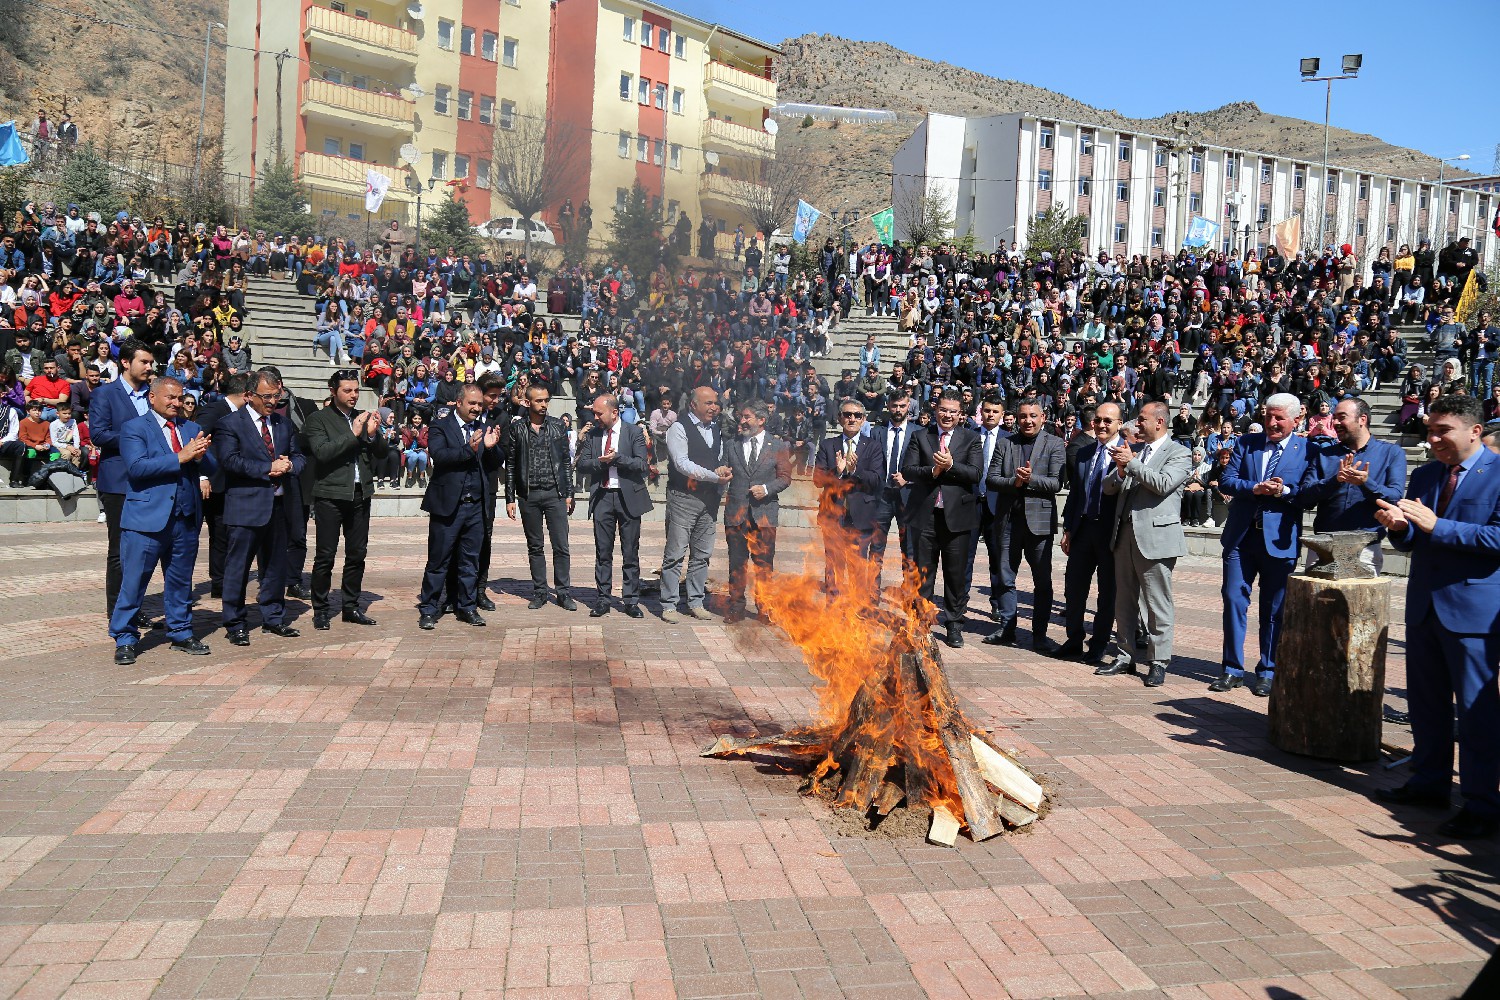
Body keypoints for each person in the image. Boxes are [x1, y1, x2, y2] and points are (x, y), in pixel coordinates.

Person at [1375, 394, 1500, 840]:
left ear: (1474, 431)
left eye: (1442, 431)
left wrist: (1434, 526)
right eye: (1429, 431)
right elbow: (1415, 538)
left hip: (1474, 615)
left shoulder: (1498, 474)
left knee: (1477, 713)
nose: (1431, 440)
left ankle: (1483, 804)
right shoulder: (1427, 474)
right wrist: (1401, 527)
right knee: (1426, 705)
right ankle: (1429, 784)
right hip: (1425, 607)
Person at [1211, 393, 1313, 697]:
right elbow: (1227, 480)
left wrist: (1285, 491)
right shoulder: (1245, 444)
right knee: (1233, 600)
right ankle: (1232, 670)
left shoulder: (1306, 450)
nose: (1271, 423)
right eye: (1268, 416)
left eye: (1279, 417)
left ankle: (1268, 670)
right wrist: (1255, 487)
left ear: (1297, 419)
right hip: (1242, 538)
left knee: (1274, 609)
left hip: (1279, 541)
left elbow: (1308, 492)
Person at [107, 376, 213, 664]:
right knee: (134, 582)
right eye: (170, 397)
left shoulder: (191, 428)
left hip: (185, 518)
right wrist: (181, 456)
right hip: (146, 521)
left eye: (180, 398)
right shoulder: (134, 428)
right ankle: (125, 637)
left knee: (180, 581)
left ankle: (180, 631)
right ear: (152, 398)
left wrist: (201, 455)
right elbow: (137, 468)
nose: (176, 403)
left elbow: (211, 466)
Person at [1096, 401, 1192, 687]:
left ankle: (1158, 661)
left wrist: (1132, 464)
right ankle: (1125, 655)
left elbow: (1163, 484)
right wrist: (1122, 470)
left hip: (1156, 539)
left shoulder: (1180, 452)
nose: (1137, 424)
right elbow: (1108, 486)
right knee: (1124, 600)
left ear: (1160, 422)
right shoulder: (1135, 452)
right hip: (1124, 534)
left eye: (1142, 420)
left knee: (1157, 603)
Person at [215, 368, 306, 646]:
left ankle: (273, 617)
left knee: (276, 566)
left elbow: (300, 456)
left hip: (278, 506)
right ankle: (235, 622)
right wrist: (269, 467)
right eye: (266, 396)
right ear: (248, 395)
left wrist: (290, 465)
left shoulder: (283, 424)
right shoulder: (230, 424)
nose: (272, 402)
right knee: (238, 568)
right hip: (245, 506)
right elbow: (230, 461)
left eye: (276, 396)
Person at [301, 369, 387, 630]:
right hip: (330, 494)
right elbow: (322, 452)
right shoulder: (318, 419)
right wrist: (354, 433)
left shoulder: (362, 416)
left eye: (356, 390)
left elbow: (382, 453)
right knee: (325, 555)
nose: (353, 395)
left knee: (357, 554)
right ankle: (321, 609)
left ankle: (350, 606)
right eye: (347, 390)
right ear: (333, 391)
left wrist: (372, 434)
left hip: (361, 494)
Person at [418, 384, 503, 629]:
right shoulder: (439, 426)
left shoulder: (483, 427)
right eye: (472, 404)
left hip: (475, 506)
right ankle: (429, 608)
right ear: (459, 403)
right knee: (438, 560)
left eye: (479, 404)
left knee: (470, 561)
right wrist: (470, 449)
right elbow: (440, 457)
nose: (477, 408)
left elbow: (497, 461)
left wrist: (492, 447)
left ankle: (467, 607)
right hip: (447, 506)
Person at [983, 400, 1066, 651]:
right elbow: (991, 479)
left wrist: (1030, 480)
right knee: (1006, 578)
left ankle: (1039, 634)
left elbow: (1056, 483)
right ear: (1016, 419)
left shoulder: (1054, 443)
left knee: (1042, 581)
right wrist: (1015, 483)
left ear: (1043, 417)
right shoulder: (1005, 443)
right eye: (1022, 416)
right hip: (1008, 521)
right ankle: (1007, 627)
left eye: (1032, 416)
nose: (1027, 421)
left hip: (1039, 523)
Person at [903, 389, 983, 648]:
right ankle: (920, 623)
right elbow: (909, 470)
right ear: (935, 410)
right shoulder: (920, 436)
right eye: (943, 410)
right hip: (925, 516)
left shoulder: (971, 439)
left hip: (957, 517)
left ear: (961, 414)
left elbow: (975, 473)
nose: (947, 415)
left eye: (953, 411)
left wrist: (950, 467)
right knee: (923, 574)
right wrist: (933, 471)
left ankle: (954, 625)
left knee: (955, 575)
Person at [86, 339, 154, 619]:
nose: (150, 367)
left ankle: (134, 607)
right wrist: (136, 439)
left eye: (151, 362)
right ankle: (117, 612)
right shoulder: (105, 394)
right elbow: (98, 435)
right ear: (125, 363)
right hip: (118, 481)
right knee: (120, 550)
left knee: (143, 550)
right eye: (144, 362)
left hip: (149, 480)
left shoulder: (153, 394)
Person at [1298, 398, 1407, 574]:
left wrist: (1365, 483)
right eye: (1334, 418)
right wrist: (1335, 481)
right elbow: (1305, 497)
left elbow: (1394, 497)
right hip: (1323, 548)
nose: (1335, 423)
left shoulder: (1391, 453)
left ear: (1362, 419)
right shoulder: (1324, 455)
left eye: (1341, 417)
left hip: (1365, 550)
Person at [1057, 402, 1125, 663]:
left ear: (1119, 424)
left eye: (1108, 421)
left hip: (1111, 533)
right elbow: (1075, 494)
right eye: (1098, 420)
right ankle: (1074, 640)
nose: (1102, 425)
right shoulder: (1085, 452)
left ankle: (1098, 645)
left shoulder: (1127, 453)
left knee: (1107, 593)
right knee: (1074, 590)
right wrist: (1068, 529)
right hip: (1083, 529)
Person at [659, 386, 730, 623]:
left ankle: (695, 602)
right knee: (675, 554)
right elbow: (682, 464)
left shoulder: (716, 429)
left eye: (715, 403)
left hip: (709, 500)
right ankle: (669, 604)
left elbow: (717, 460)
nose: (714, 407)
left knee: (702, 554)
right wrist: (714, 475)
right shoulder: (678, 428)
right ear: (693, 405)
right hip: (683, 499)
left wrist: (721, 474)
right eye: (708, 403)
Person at [577, 393, 652, 618]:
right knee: (603, 551)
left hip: (628, 497)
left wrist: (617, 458)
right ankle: (603, 599)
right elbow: (582, 464)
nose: (595, 417)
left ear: (614, 412)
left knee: (630, 551)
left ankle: (630, 600)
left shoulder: (634, 432)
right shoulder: (593, 434)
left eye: (599, 413)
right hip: (602, 496)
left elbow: (642, 464)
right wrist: (601, 463)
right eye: (594, 413)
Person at [503, 383, 576, 610]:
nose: (544, 404)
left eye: (546, 400)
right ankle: (540, 592)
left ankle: (563, 593)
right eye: (539, 401)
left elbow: (566, 462)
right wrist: (510, 498)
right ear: (527, 402)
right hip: (528, 495)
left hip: (554, 493)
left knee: (561, 545)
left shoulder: (557, 427)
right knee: (535, 546)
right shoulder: (517, 429)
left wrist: (569, 493)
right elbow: (511, 465)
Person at [722, 399, 793, 623]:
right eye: (740, 417)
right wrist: (722, 471)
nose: (740, 421)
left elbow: (785, 478)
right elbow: (724, 469)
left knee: (764, 565)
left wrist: (766, 489)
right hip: (736, 514)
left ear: (761, 420)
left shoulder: (778, 446)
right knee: (737, 563)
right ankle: (736, 607)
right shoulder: (731, 444)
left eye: (746, 417)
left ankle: (764, 608)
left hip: (764, 515)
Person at [812, 399, 883, 595]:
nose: (852, 419)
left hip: (861, 516)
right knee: (833, 566)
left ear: (864, 419)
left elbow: (877, 480)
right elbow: (818, 478)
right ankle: (834, 609)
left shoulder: (873, 446)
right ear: (840, 418)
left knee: (857, 566)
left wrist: (855, 470)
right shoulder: (828, 445)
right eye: (847, 414)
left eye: (857, 415)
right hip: (833, 515)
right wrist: (838, 471)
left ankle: (855, 609)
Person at [194, 372, 249, 598]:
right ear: (246, 394)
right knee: (215, 535)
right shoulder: (214, 410)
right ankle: (218, 581)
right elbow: (195, 441)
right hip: (211, 485)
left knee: (225, 534)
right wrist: (201, 476)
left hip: (231, 485)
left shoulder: (244, 415)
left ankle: (222, 582)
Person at [963, 395, 1009, 620]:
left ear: (1002, 416)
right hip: (970, 503)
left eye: (995, 411)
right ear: (981, 413)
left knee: (997, 557)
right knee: (965, 556)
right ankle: (960, 601)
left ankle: (998, 604)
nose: (990, 414)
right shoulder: (968, 437)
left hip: (997, 506)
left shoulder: (1009, 440)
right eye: (987, 410)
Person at [870, 391, 918, 591]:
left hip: (907, 497)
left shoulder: (919, 432)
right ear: (888, 406)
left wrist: (909, 479)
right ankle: (871, 593)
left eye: (902, 406)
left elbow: (925, 466)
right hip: (881, 497)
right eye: (894, 406)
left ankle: (908, 592)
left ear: (909, 407)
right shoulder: (876, 432)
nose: (898, 410)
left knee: (909, 549)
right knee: (876, 547)